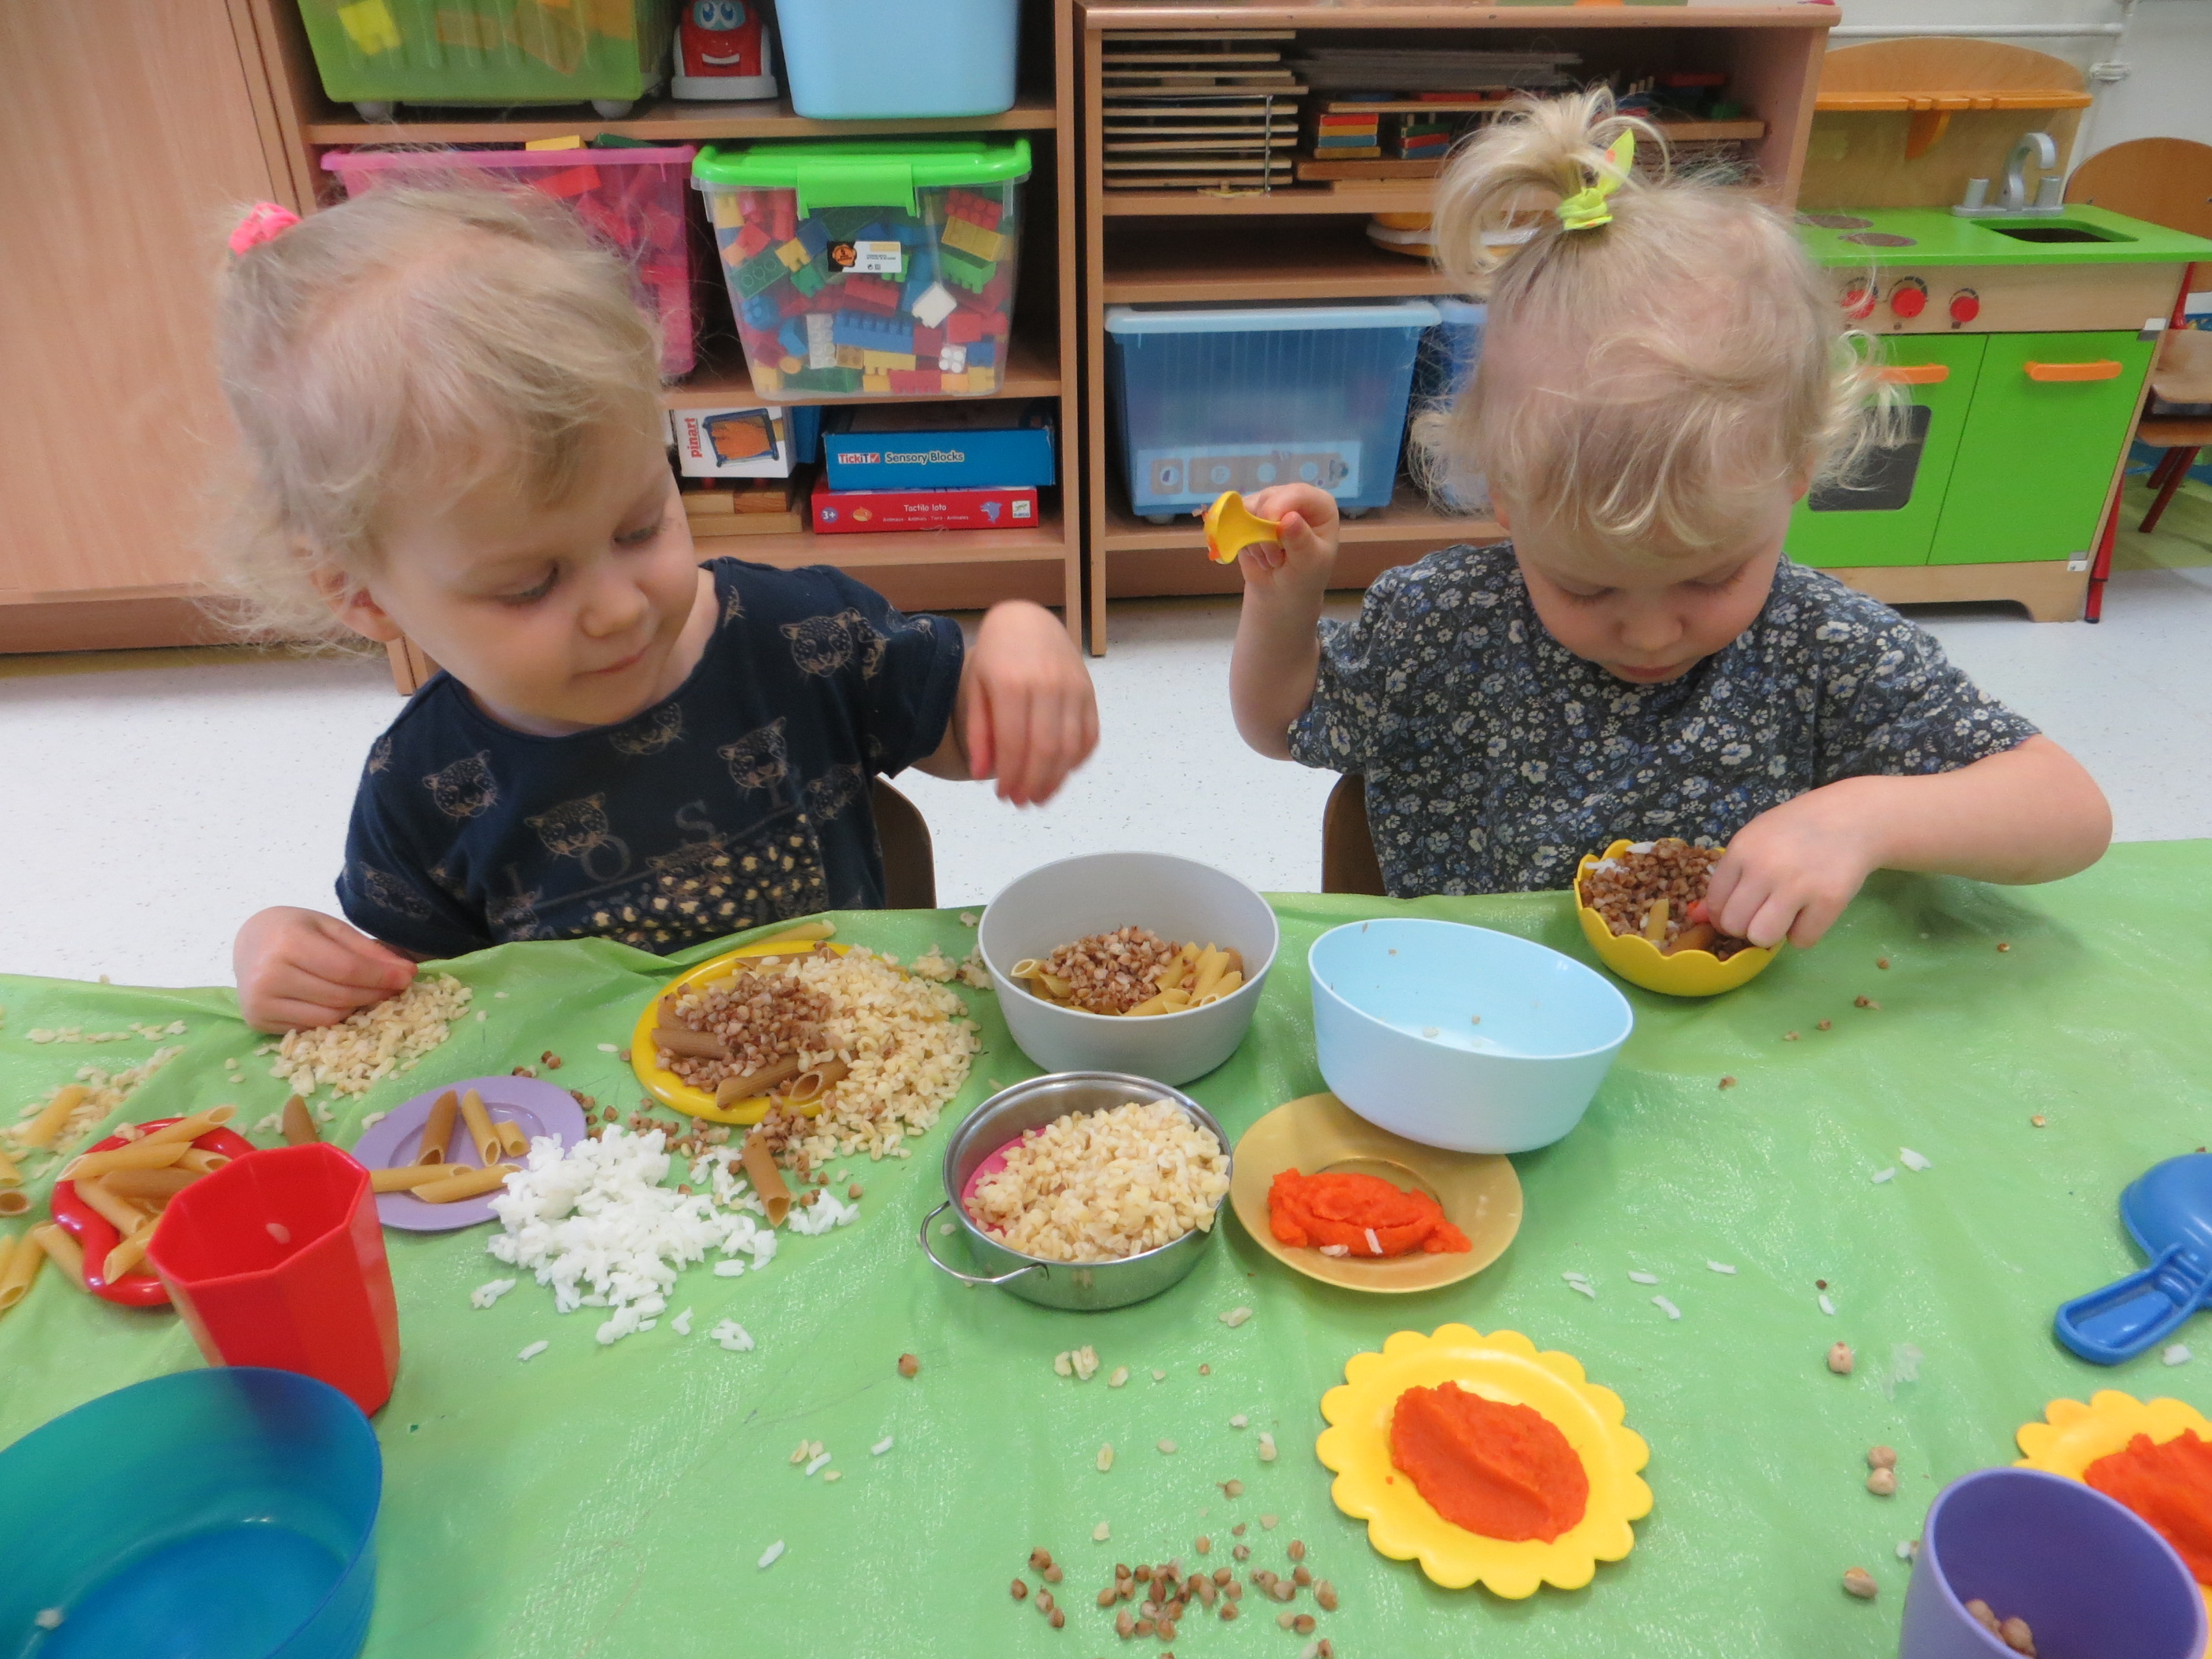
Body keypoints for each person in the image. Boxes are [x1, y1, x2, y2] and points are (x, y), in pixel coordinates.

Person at [1229, 91, 2109, 948]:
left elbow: (2070, 812)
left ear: (1797, 471)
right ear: (1504, 496)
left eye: (1710, 576)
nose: (1650, 633)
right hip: (1473, 1001)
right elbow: (1280, 727)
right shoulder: (1442, 622)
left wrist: (1863, 818)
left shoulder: (1822, 646)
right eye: (1585, 586)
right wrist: (1284, 604)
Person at [213, 189, 1097, 1032]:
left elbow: (963, 736)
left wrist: (1019, 644)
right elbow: (414, 1002)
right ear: (360, 592)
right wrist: (279, 950)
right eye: (529, 585)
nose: (616, 609)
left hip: (854, 1078)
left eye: (639, 528)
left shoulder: (804, 635)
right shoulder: (422, 788)